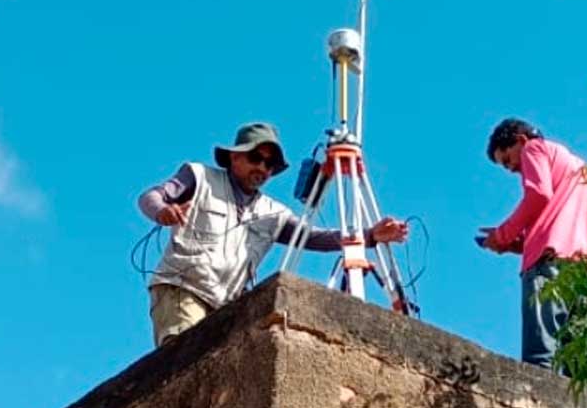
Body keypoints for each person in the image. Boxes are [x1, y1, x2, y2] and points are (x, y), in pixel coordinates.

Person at [138, 122, 408, 347]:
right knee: (183, 357)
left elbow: (314, 237)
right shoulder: (200, 176)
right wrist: (164, 211)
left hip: (224, 306)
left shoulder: (272, 213)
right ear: (234, 157)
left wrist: (371, 235)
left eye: (269, 164)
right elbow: (151, 196)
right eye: (256, 158)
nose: (263, 168)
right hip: (184, 288)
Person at [475, 118, 587, 369]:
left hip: (546, 264)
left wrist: (503, 235)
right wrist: (518, 244)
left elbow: (539, 194)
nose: (512, 168)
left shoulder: (534, 149)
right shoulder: (584, 170)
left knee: (540, 358)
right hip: (583, 270)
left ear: (520, 140)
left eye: (507, 160)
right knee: (580, 366)